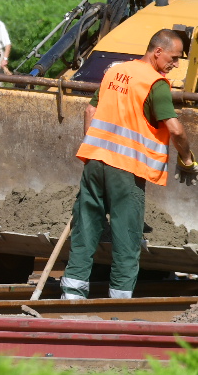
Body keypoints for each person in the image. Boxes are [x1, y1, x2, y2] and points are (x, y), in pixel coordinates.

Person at [60, 29, 197, 300]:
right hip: (126, 169)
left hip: (95, 162)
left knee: (85, 227)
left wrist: (94, 149)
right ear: (157, 52)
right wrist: (186, 159)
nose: (175, 64)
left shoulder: (115, 71)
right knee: (127, 234)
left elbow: (90, 110)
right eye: (173, 58)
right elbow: (176, 130)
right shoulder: (155, 83)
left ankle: (72, 294)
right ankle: (120, 301)